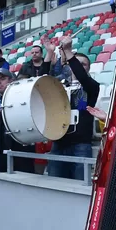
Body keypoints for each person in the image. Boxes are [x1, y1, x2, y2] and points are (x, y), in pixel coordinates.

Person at [45, 38, 100, 181]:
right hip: (58, 142)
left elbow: (82, 77)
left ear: (89, 68)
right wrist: (49, 53)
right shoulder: (60, 85)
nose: (80, 66)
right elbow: (42, 81)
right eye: (77, 63)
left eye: (84, 64)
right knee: (55, 185)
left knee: (80, 185)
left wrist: (68, 52)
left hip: (81, 145)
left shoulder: (91, 86)